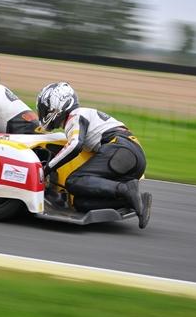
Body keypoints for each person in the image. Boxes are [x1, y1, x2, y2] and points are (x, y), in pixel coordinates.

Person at [36, 82, 152, 228]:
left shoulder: (76, 115)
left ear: (58, 105)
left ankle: (126, 189)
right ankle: (134, 199)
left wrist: (47, 169)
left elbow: (75, 145)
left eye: (45, 108)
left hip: (121, 149)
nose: (44, 112)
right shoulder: (82, 115)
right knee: (80, 203)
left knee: (74, 180)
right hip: (130, 155)